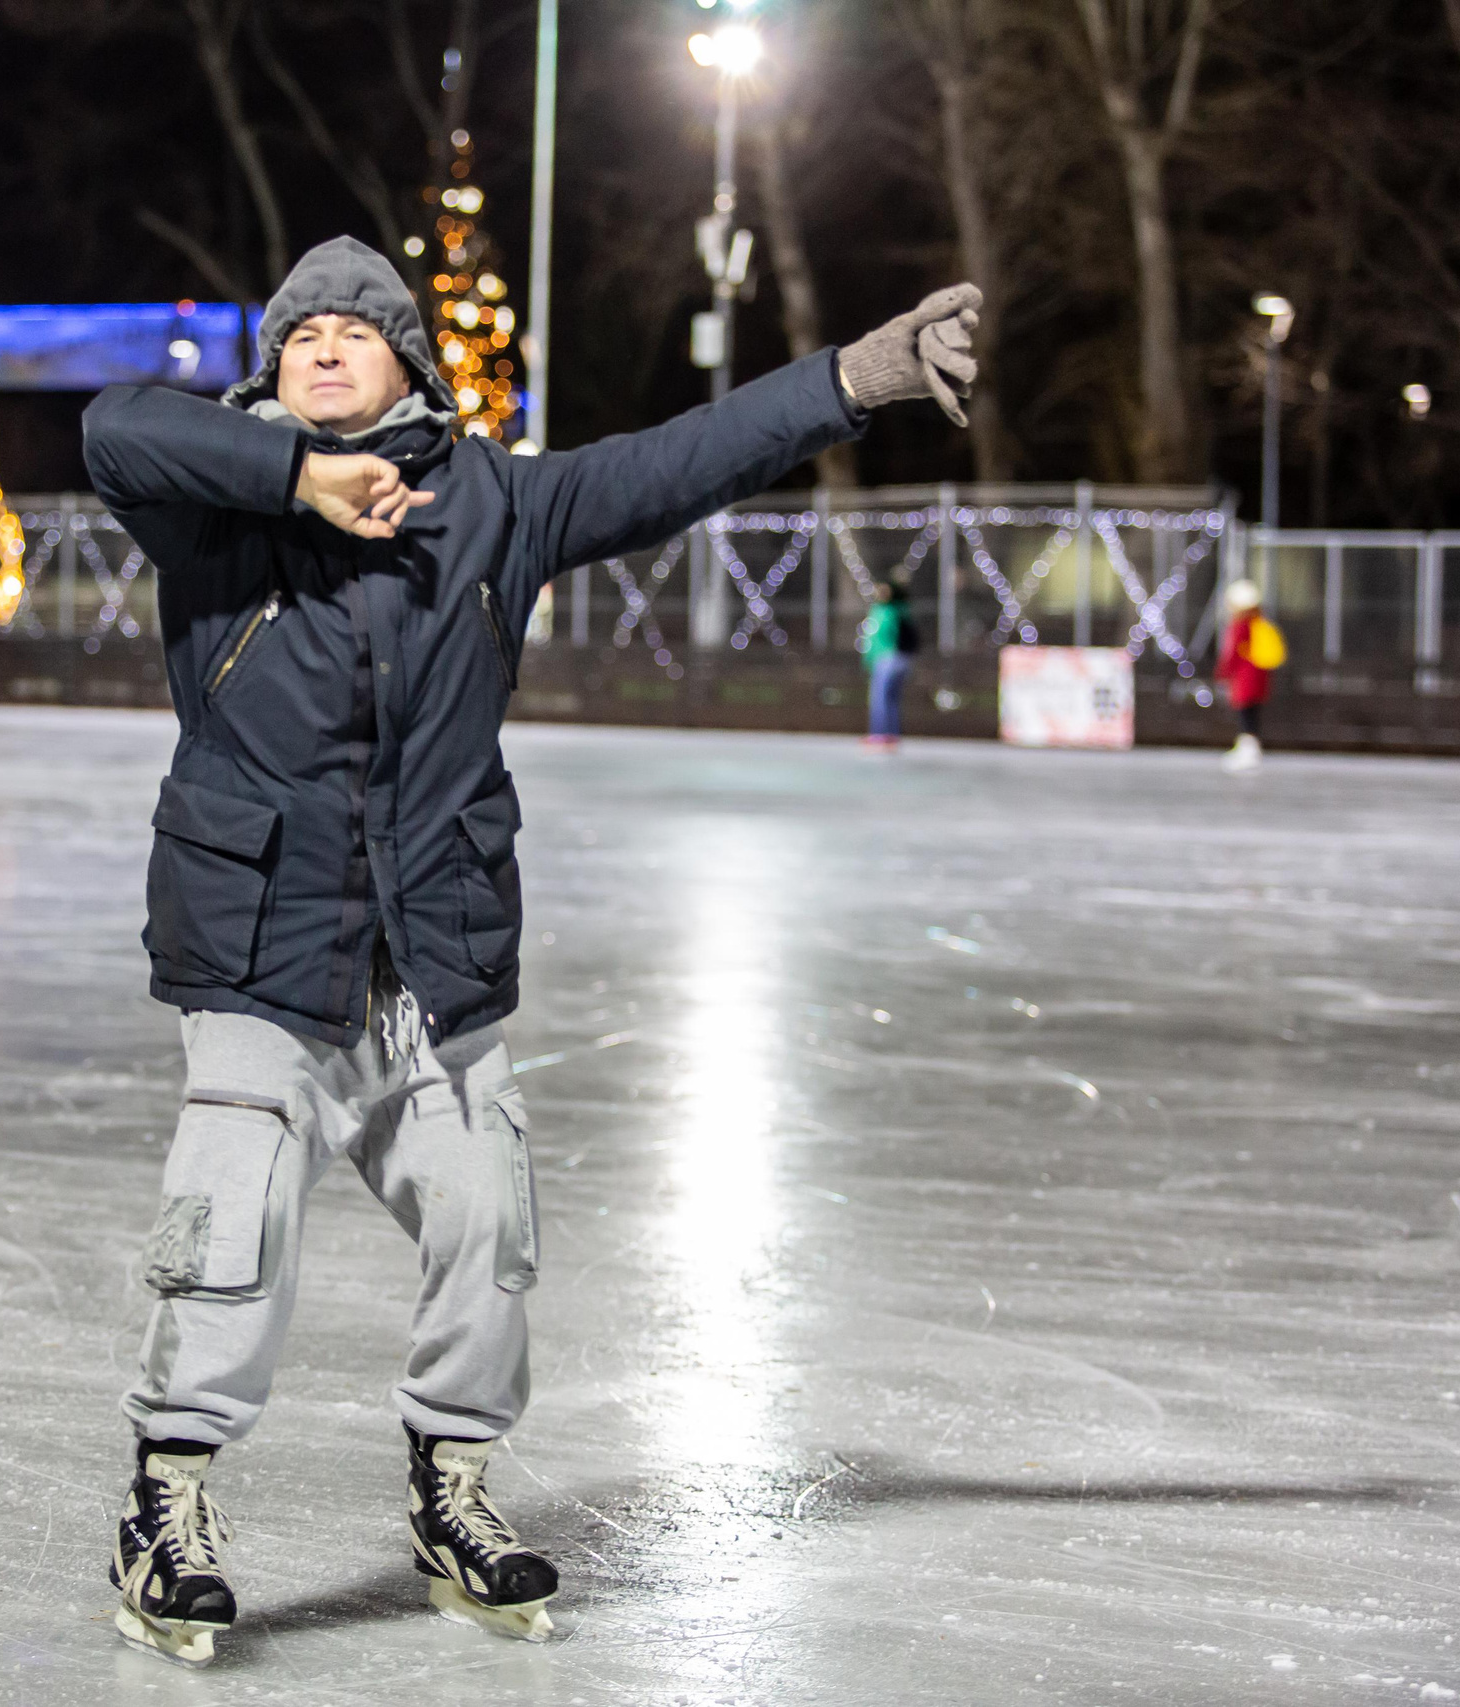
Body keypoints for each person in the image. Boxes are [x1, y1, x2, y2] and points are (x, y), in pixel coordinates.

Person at [80, 235, 980, 1664]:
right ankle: (164, 1500)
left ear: (409, 361)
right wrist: (295, 481)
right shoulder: (212, 510)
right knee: (231, 1226)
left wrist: (851, 378)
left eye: (353, 330)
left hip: (432, 952)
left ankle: (455, 1487)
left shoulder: (498, 504)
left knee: (486, 1220)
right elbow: (111, 426)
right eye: (299, 331)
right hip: (262, 949)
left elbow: (687, 458)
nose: (322, 344)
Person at [1217, 579, 1282, 771]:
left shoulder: (1241, 626)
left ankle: (1248, 748)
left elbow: (1233, 653)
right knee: (1251, 712)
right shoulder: (1259, 622)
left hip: (1245, 677)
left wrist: (1224, 672)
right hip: (1258, 676)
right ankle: (1249, 746)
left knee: (1246, 713)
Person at [859, 578, 920, 749]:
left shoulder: (883, 612)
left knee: (880, 698)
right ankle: (891, 734)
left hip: (887, 658)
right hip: (899, 658)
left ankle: (880, 735)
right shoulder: (903, 611)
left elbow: (875, 638)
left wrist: (868, 658)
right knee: (891, 698)